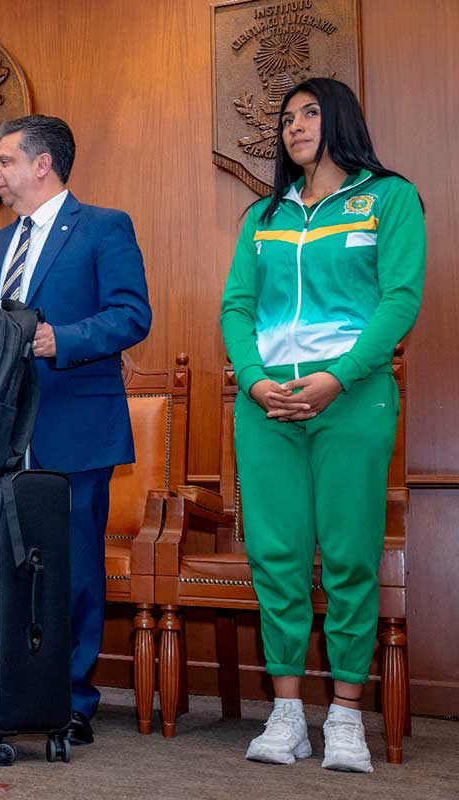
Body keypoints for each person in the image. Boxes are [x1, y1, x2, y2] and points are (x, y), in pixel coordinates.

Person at [221, 77, 425, 773]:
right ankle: (286, 715)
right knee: (275, 559)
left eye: (309, 113)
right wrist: (255, 383)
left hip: (352, 401)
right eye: (286, 118)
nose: (294, 126)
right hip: (268, 409)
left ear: (339, 118)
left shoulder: (388, 199)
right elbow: (236, 310)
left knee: (347, 558)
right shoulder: (264, 216)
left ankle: (343, 715)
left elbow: (399, 300)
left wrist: (337, 376)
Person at [0, 115, 151, 745]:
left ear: (42, 164)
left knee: (73, 570)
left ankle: (71, 698)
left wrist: (57, 339)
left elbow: (131, 315)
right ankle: (4, 688)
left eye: (4, 161)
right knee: (1, 566)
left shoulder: (103, 227)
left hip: (76, 425)